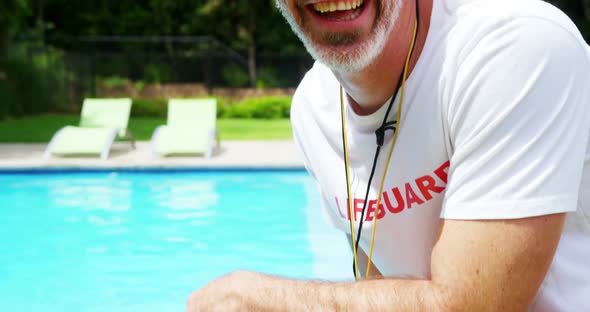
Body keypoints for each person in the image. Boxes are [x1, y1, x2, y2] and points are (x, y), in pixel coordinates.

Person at [187, 0, 590, 310]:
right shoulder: (313, 108)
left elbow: (472, 305)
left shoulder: (515, 46)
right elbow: (379, 290)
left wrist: (261, 300)